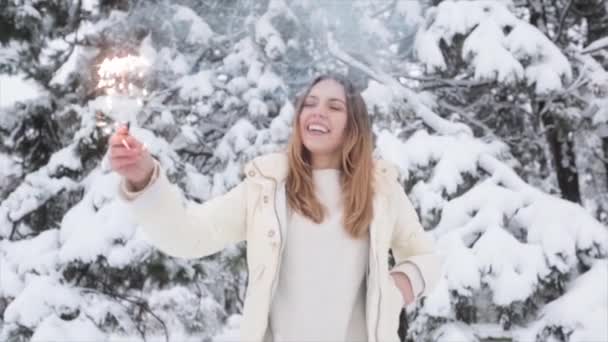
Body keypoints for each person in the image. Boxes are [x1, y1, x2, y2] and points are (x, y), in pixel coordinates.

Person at [109, 74, 441, 342]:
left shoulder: (381, 192)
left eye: (334, 106)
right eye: (309, 103)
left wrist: (400, 286)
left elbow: (425, 257)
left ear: (353, 126)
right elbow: (189, 236)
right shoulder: (265, 188)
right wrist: (144, 180)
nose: (317, 111)